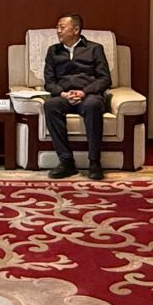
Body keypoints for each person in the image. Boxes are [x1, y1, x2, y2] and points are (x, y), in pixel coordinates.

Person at [41, 14, 112, 180]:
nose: (58, 31)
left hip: (89, 95)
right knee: (50, 105)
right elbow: (49, 82)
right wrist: (62, 93)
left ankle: (94, 162)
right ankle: (66, 162)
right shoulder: (53, 51)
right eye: (57, 27)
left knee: (93, 105)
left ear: (76, 30)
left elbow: (105, 79)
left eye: (62, 27)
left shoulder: (95, 49)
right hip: (64, 96)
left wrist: (84, 92)